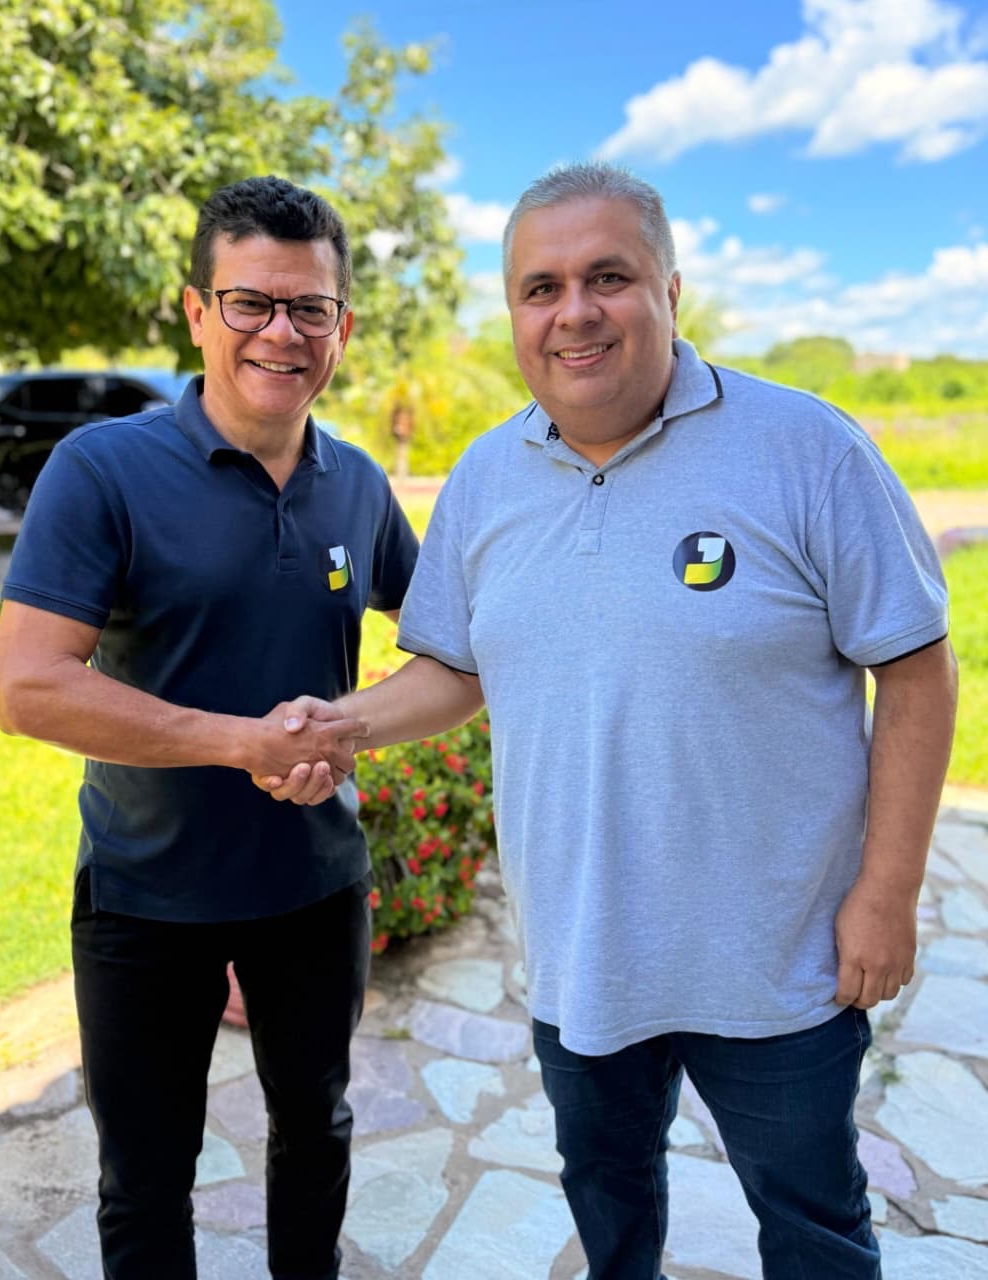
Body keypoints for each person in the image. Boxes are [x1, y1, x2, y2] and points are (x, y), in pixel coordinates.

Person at [260, 163, 958, 1278]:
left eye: (608, 277)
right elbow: (455, 667)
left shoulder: (807, 448)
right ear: (514, 312)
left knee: (815, 1227)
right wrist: (341, 724)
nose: (573, 312)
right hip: (583, 954)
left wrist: (885, 892)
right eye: (541, 288)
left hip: (779, 957)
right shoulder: (486, 477)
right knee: (611, 1210)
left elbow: (917, 670)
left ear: (669, 291)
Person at [0, 175, 418, 1280]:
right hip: (147, 893)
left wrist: (349, 727)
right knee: (145, 1177)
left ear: (341, 325)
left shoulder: (358, 486)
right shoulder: (104, 469)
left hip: (315, 885)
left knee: (316, 1130)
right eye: (249, 302)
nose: (282, 332)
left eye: (309, 307)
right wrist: (242, 741)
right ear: (195, 311)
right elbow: (26, 687)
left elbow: (449, 642)